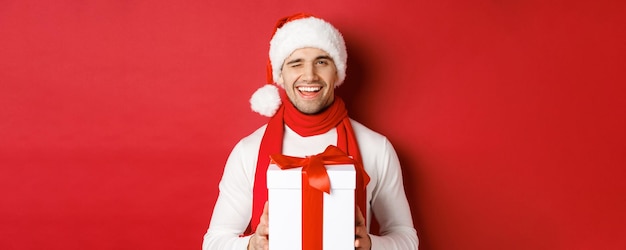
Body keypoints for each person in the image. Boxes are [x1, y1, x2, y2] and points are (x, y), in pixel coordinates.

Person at [202, 13, 418, 250]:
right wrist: (253, 245)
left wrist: (369, 245)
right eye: (296, 63)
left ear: (338, 72)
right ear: (280, 75)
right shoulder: (248, 151)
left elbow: (406, 239)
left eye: (322, 61)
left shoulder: (376, 148)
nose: (309, 75)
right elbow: (214, 242)